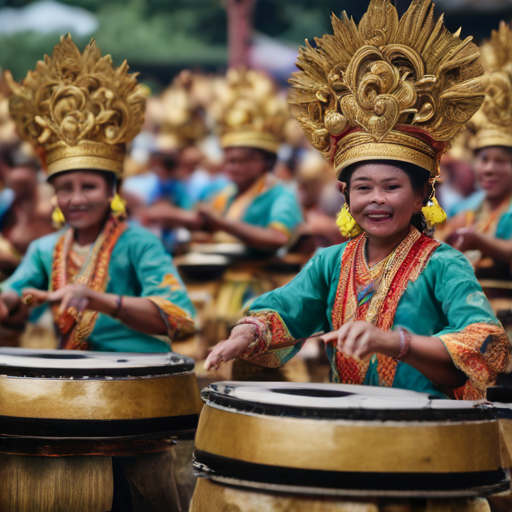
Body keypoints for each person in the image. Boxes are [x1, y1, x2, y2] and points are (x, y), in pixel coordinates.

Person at [205, 0, 511, 400]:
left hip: (432, 435)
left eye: (392, 187)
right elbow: (283, 308)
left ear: (423, 194)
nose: (377, 200)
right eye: (363, 187)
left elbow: (485, 345)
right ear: (345, 195)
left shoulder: (443, 264)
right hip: (351, 430)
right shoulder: (331, 262)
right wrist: (246, 333)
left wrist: (395, 343)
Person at [0, 35, 195, 353]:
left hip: (137, 380)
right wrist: (7, 301)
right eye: (65, 188)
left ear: (112, 192)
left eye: (88, 186)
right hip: (73, 374)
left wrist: (100, 300)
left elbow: (181, 319)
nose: (76, 199)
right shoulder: (44, 249)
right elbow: (15, 292)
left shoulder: (139, 244)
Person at [141, 68, 303, 256]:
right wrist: (173, 216)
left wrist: (222, 224)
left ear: (267, 161)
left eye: (243, 160)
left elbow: (278, 238)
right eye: (229, 160)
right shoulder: (226, 194)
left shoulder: (281, 195)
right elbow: (204, 222)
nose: (233, 167)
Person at [443, 23, 512, 271]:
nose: (490, 169)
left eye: (501, 161)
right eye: (484, 159)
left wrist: (478, 240)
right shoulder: (464, 208)